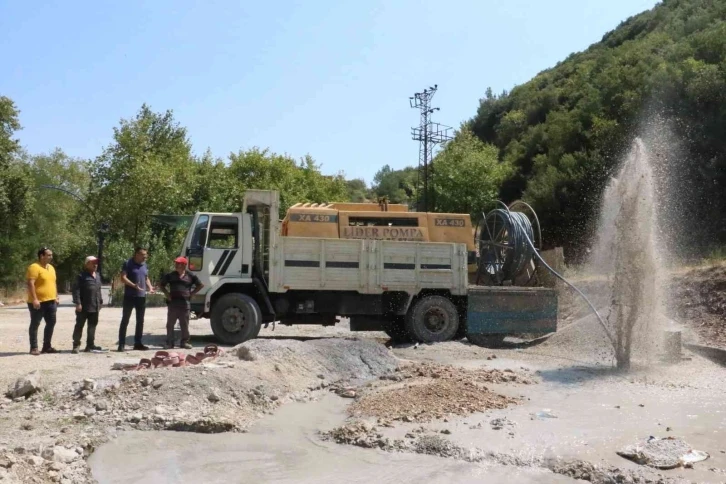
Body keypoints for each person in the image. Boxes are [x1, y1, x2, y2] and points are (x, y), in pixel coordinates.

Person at [160, 256, 204, 349]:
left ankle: (184, 342)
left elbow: (200, 285)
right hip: (173, 304)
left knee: (184, 324)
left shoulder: (191, 276)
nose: (176, 265)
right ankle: (169, 343)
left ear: (184, 265)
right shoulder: (171, 275)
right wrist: (167, 294)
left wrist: (192, 293)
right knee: (170, 324)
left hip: (185, 304)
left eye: (178, 263)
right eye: (176, 263)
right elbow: (161, 285)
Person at [118, 247, 154, 352]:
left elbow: (146, 277)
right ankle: (121, 344)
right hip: (129, 296)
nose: (145, 257)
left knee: (140, 321)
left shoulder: (145, 265)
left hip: (141, 297)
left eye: (146, 255)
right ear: (136, 254)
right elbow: (123, 278)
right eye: (143, 255)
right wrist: (134, 285)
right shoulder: (128, 263)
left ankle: (138, 343)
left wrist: (150, 287)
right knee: (125, 320)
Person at [26, 247, 60, 355]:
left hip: (51, 301)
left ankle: (47, 346)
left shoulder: (51, 268)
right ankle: (34, 348)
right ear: (42, 256)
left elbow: (53, 283)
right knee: (35, 324)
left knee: (51, 323)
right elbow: (30, 283)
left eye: (51, 255)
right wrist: (35, 299)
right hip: (38, 302)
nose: (51, 257)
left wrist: (56, 296)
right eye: (49, 255)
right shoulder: (34, 267)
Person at [71, 256, 104, 353]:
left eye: (96, 263)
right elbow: (76, 290)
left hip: (95, 306)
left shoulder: (97, 275)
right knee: (79, 326)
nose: (95, 264)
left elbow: (98, 290)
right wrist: (78, 303)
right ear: (86, 264)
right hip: (83, 306)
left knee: (92, 326)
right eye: (93, 262)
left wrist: (100, 302)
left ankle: (90, 345)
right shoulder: (81, 276)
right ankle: (76, 345)